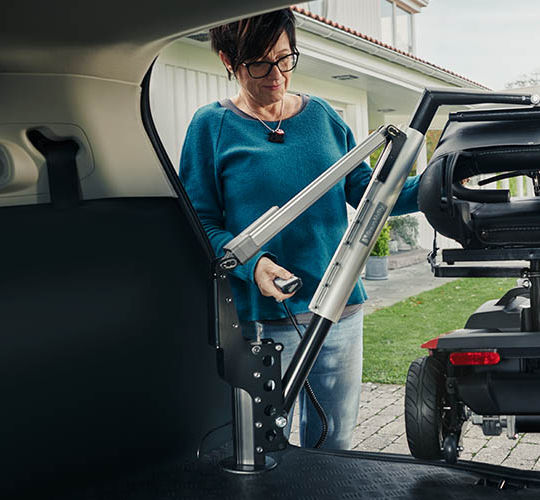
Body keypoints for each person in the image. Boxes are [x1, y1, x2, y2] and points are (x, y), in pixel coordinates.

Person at [178, 9, 420, 450]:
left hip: (338, 310)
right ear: (226, 59)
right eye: (258, 63)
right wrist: (253, 264)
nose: (276, 76)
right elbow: (199, 224)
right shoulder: (210, 127)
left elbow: (373, 195)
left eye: (285, 59)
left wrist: (440, 182)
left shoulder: (323, 117)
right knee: (266, 445)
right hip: (261, 320)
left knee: (336, 439)